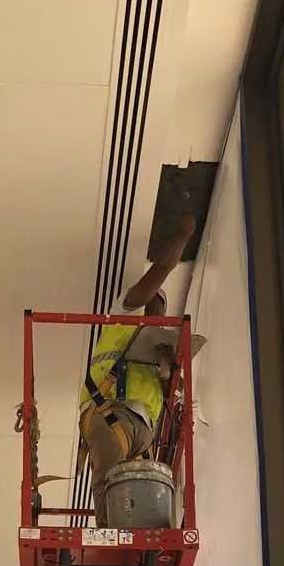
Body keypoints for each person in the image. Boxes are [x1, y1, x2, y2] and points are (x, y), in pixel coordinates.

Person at [79, 212, 197, 527]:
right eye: (152, 305)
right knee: (107, 487)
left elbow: (170, 398)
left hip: (140, 433)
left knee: (142, 502)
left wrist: (168, 366)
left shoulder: (161, 354)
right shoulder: (122, 317)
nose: (155, 312)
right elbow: (158, 273)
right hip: (109, 413)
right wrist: (182, 238)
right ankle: (109, 544)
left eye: (160, 308)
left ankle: (137, 553)